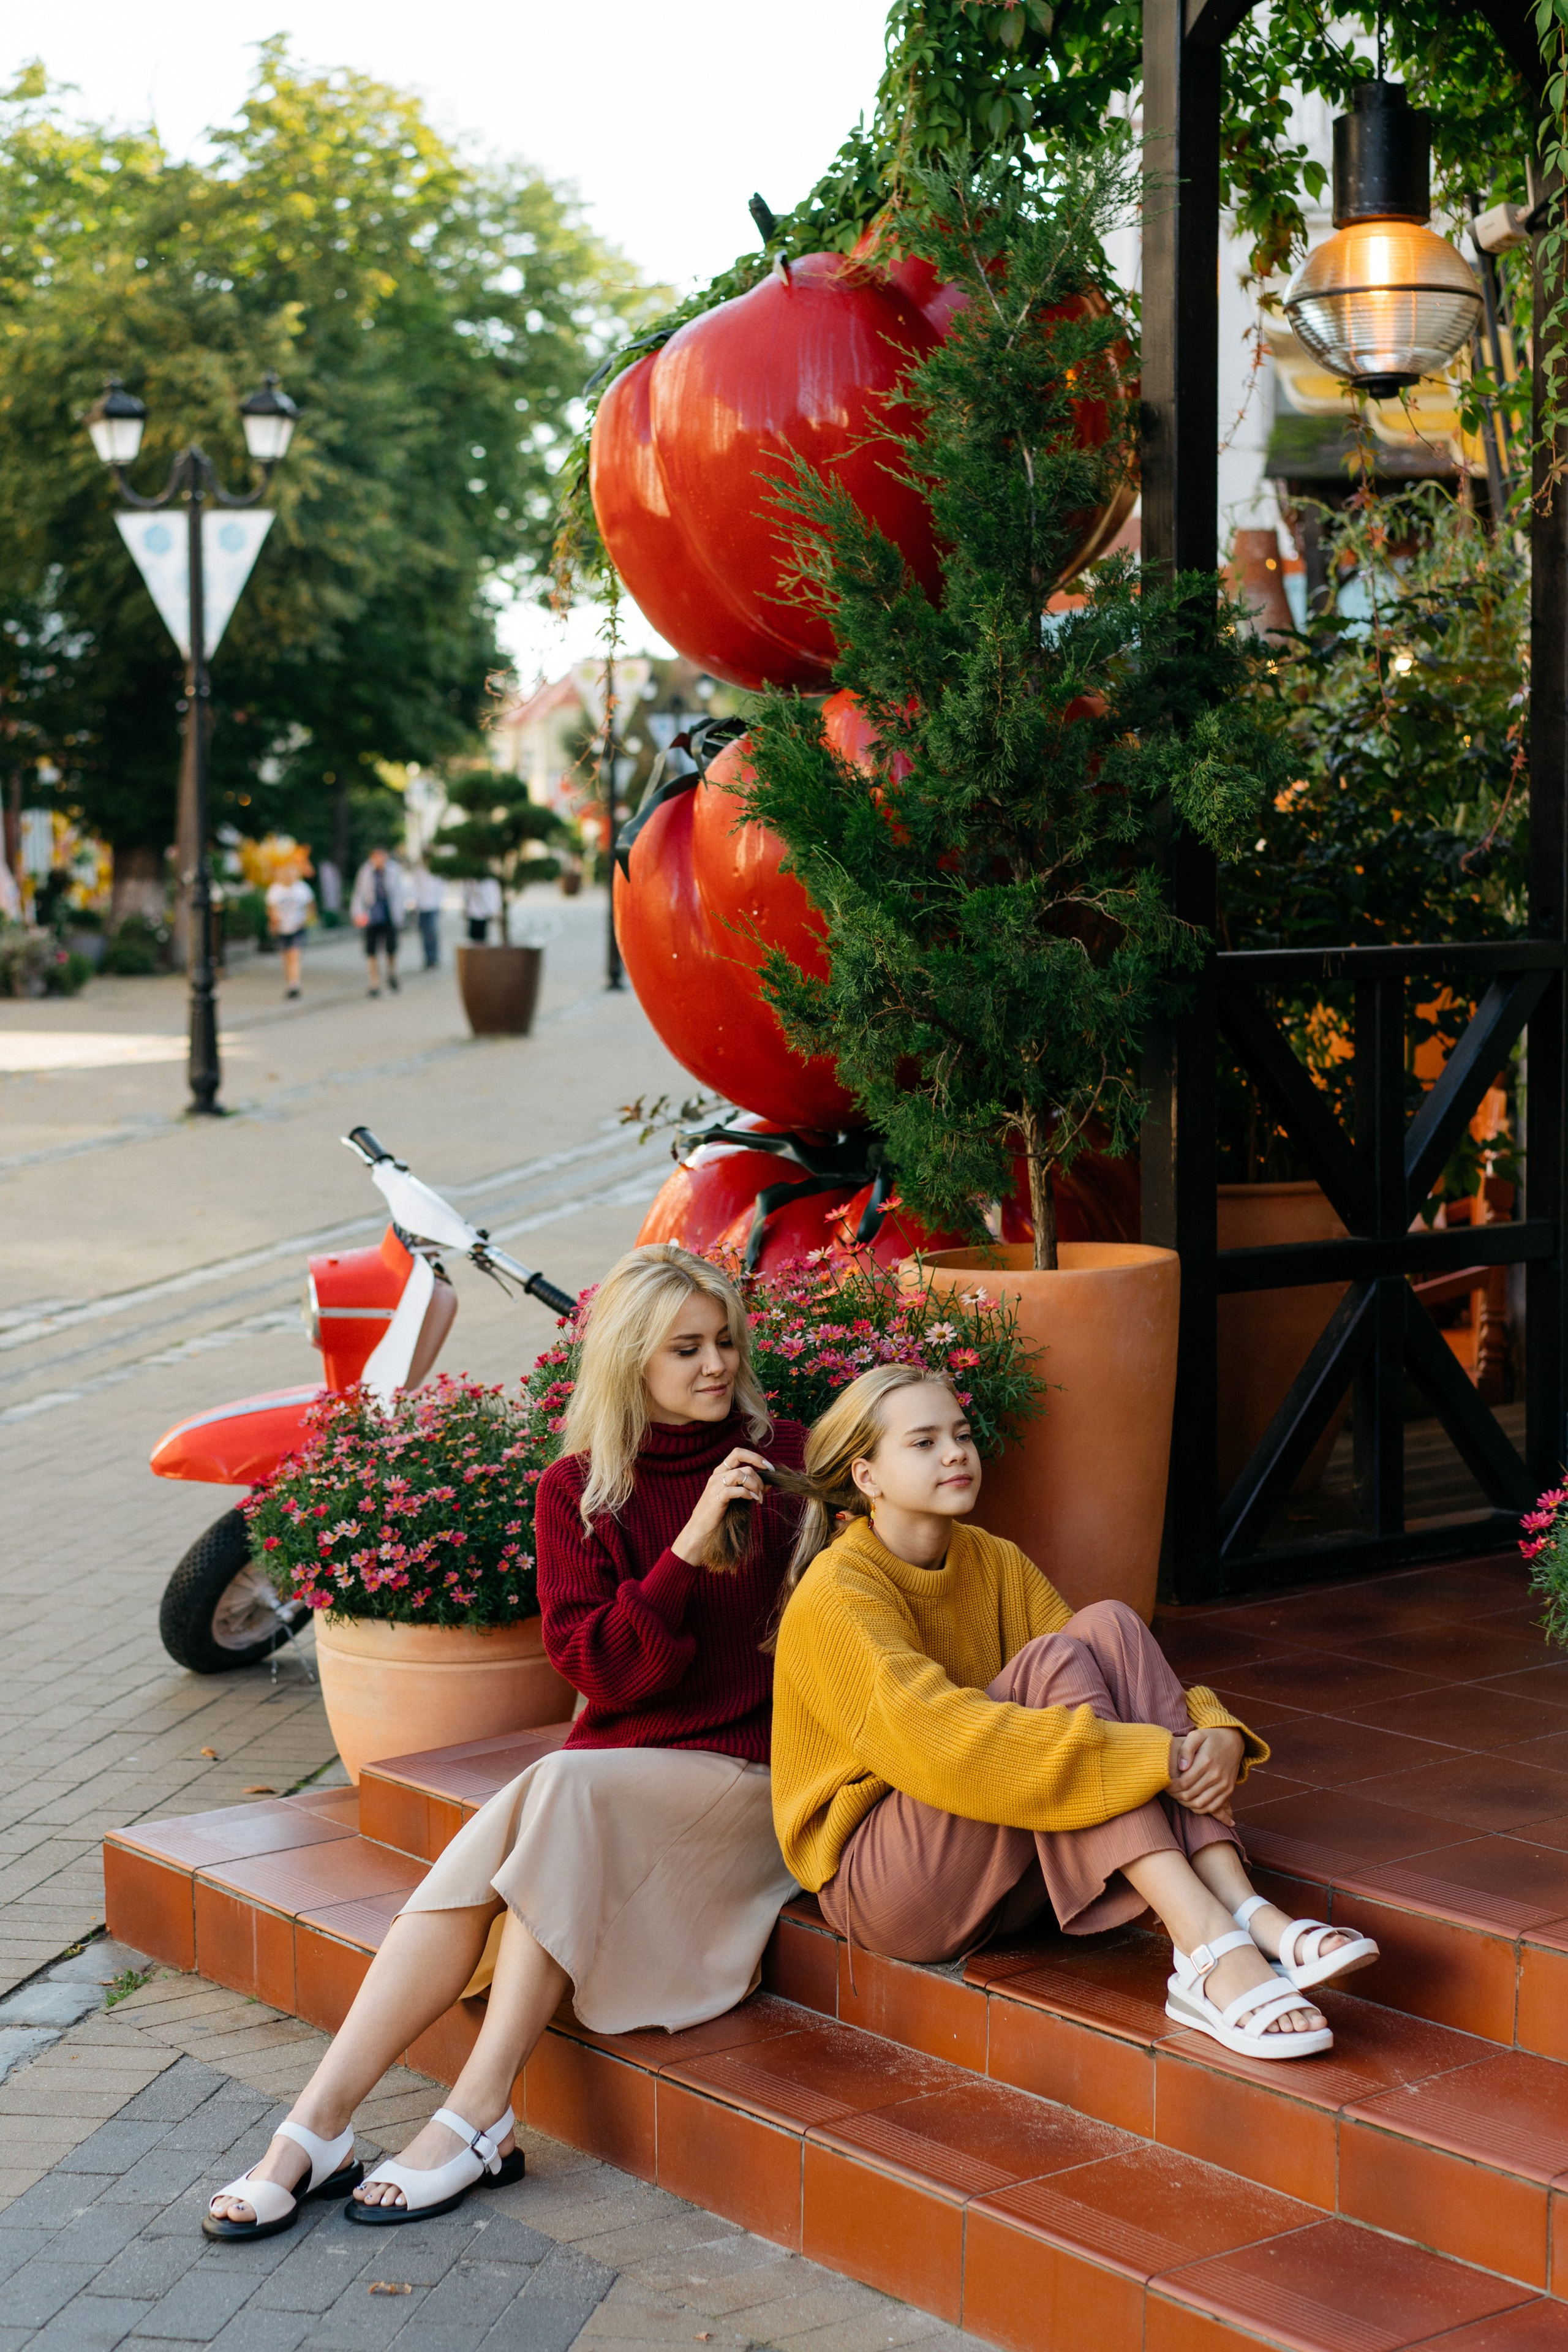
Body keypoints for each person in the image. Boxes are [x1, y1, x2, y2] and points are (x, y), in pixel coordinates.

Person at [202, 1242, 807, 2241]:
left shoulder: (779, 1463)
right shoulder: (578, 1491)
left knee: (558, 1793)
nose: (716, 1365)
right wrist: (685, 1557)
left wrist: (710, 1542)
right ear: (629, 1364)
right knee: (560, 1801)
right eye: (685, 1348)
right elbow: (603, 1675)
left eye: (726, 1342)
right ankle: (331, 2121)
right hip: (615, 1782)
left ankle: (435, 2114)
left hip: (746, 1777)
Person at [769, 1365, 1380, 2063]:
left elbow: (1101, 1678)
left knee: (1109, 1626)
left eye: (962, 1435)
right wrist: (1152, 1756)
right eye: (923, 1442)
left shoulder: (990, 1559)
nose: (954, 1454)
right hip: (895, 1889)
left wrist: (1213, 1729)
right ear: (867, 1477)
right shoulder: (838, 1592)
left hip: (1000, 1859)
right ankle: (1204, 1944)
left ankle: (1244, 1909)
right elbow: (942, 1746)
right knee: (1055, 1668)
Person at [350, 846, 406, 996]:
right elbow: (359, 894)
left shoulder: (394, 871)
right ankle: (374, 982)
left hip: (389, 913)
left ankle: (391, 973)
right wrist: (357, 913)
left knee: (391, 948)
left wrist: (401, 915)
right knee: (371, 950)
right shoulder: (366, 871)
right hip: (372, 914)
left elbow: (400, 893)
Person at [265, 856, 314, 1000]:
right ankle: (290, 983)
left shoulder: (302, 889)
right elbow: (271, 908)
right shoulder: (276, 889)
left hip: (298, 926)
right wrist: (274, 921)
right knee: (286, 957)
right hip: (282, 928)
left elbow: (310, 907)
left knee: (295, 955)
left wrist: (306, 920)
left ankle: (295, 984)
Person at [412, 862, 445, 969]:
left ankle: (433, 958)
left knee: (431, 932)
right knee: (424, 933)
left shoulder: (436, 869)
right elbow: (416, 887)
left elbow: (440, 887)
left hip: (433, 905)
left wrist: (439, 902)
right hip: (422, 906)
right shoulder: (419, 869)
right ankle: (428, 958)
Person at [462, 874, 502, 943]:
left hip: (483, 914)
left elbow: (495, 898)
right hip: (477, 914)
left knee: (481, 939)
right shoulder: (471, 881)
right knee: (476, 940)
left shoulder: (490, 882)